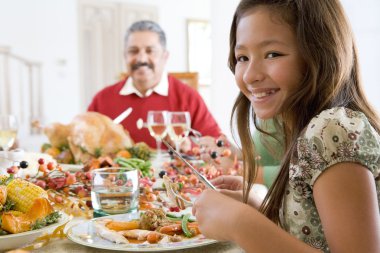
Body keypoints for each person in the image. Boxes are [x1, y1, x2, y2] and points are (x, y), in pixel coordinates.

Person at [192, 1, 380, 253]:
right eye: (242, 57)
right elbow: (313, 229)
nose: (249, 75)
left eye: (272, 54)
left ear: (319, 52)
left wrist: (241, 222)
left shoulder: (331, 129)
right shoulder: (304, 125)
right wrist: (263, 205)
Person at [88, 20, 221, 149]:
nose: (141, 59)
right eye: (133, 51)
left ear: (165, 56)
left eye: (150, 51)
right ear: (125, 56)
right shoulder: (102, 99)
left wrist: (189, 146)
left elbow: (217, 145)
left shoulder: (188, 97)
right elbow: (83, 141)